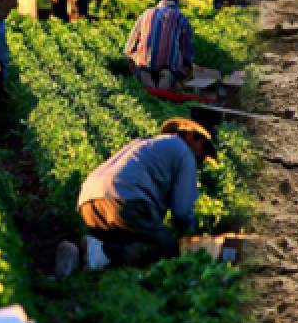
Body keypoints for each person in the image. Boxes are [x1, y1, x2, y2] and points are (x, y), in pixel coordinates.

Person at [63, 117, 218, 278]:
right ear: (190, 135)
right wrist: (193, 238)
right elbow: (182, 211)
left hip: (88, 201)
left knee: (133, 235)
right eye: (204, 149)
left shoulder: (145, 144)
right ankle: (103, 254)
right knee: (166, 250)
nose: (202, 158)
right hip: (125, 200)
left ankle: (89, 252)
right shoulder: (184, 151)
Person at [125, 0, 194, 89]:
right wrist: (186, 67)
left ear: (160, 4)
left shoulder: (146, 13)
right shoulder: (182, 17)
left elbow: (131, 42)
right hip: (169, 62)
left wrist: (130, 57)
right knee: (172, 70)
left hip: (145, 60)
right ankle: (166, 77)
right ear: (176, 6)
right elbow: (186, 49)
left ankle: (145, 75)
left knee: (140, 66)